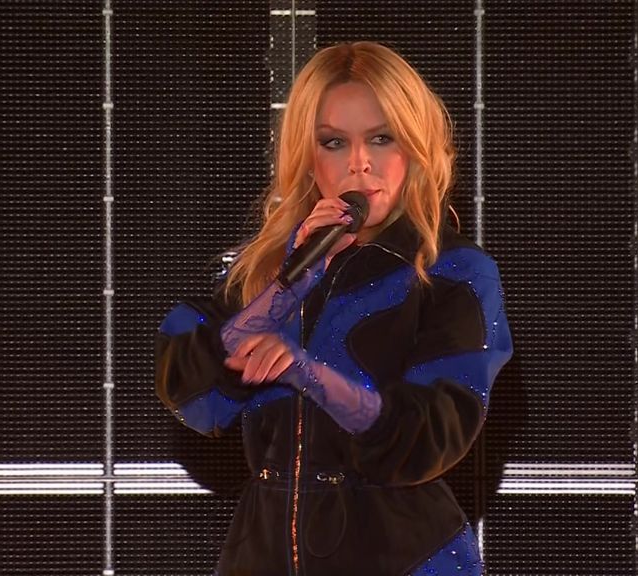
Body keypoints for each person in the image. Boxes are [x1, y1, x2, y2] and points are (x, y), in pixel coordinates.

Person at [155, 41, 513, 576]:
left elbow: (426, 437)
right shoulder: (266, 268)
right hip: (265, 554)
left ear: (416, 147)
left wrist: (309, 374)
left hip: (404, 555)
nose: (359, 162)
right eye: (334, 142)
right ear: (309, 155)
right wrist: (291, 284)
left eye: (382, 138)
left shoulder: (455, 271)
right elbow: (193, 393)